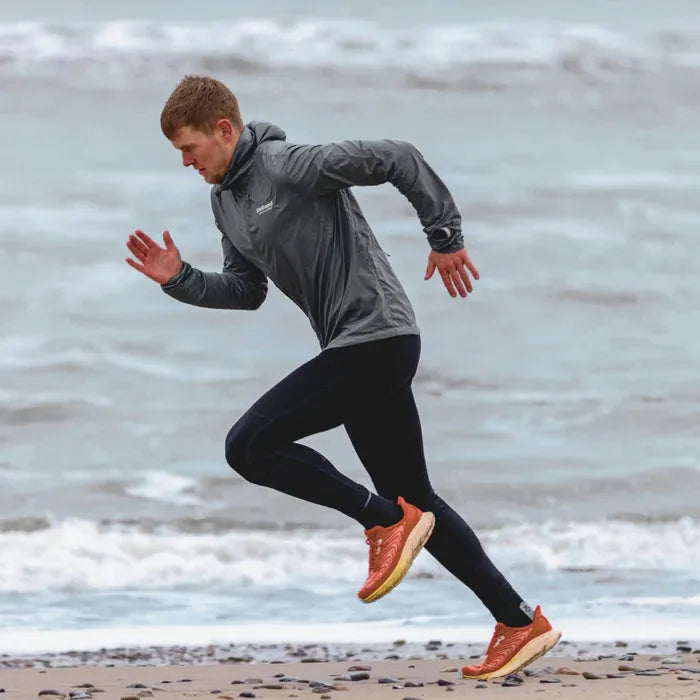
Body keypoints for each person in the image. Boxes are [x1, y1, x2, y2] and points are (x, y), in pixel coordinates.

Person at [125, 75, 561, 679]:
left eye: (190, 148)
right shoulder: (225, 202)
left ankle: (382, 521)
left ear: (224, 130)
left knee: (249, 446)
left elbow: (398, 157)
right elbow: (247, 290)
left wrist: (445, 237)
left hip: (377, 339)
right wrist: (180, 279)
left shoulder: (287, 164)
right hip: (355, 349)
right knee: (417, 500)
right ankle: (517, 622)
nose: (185, 162)